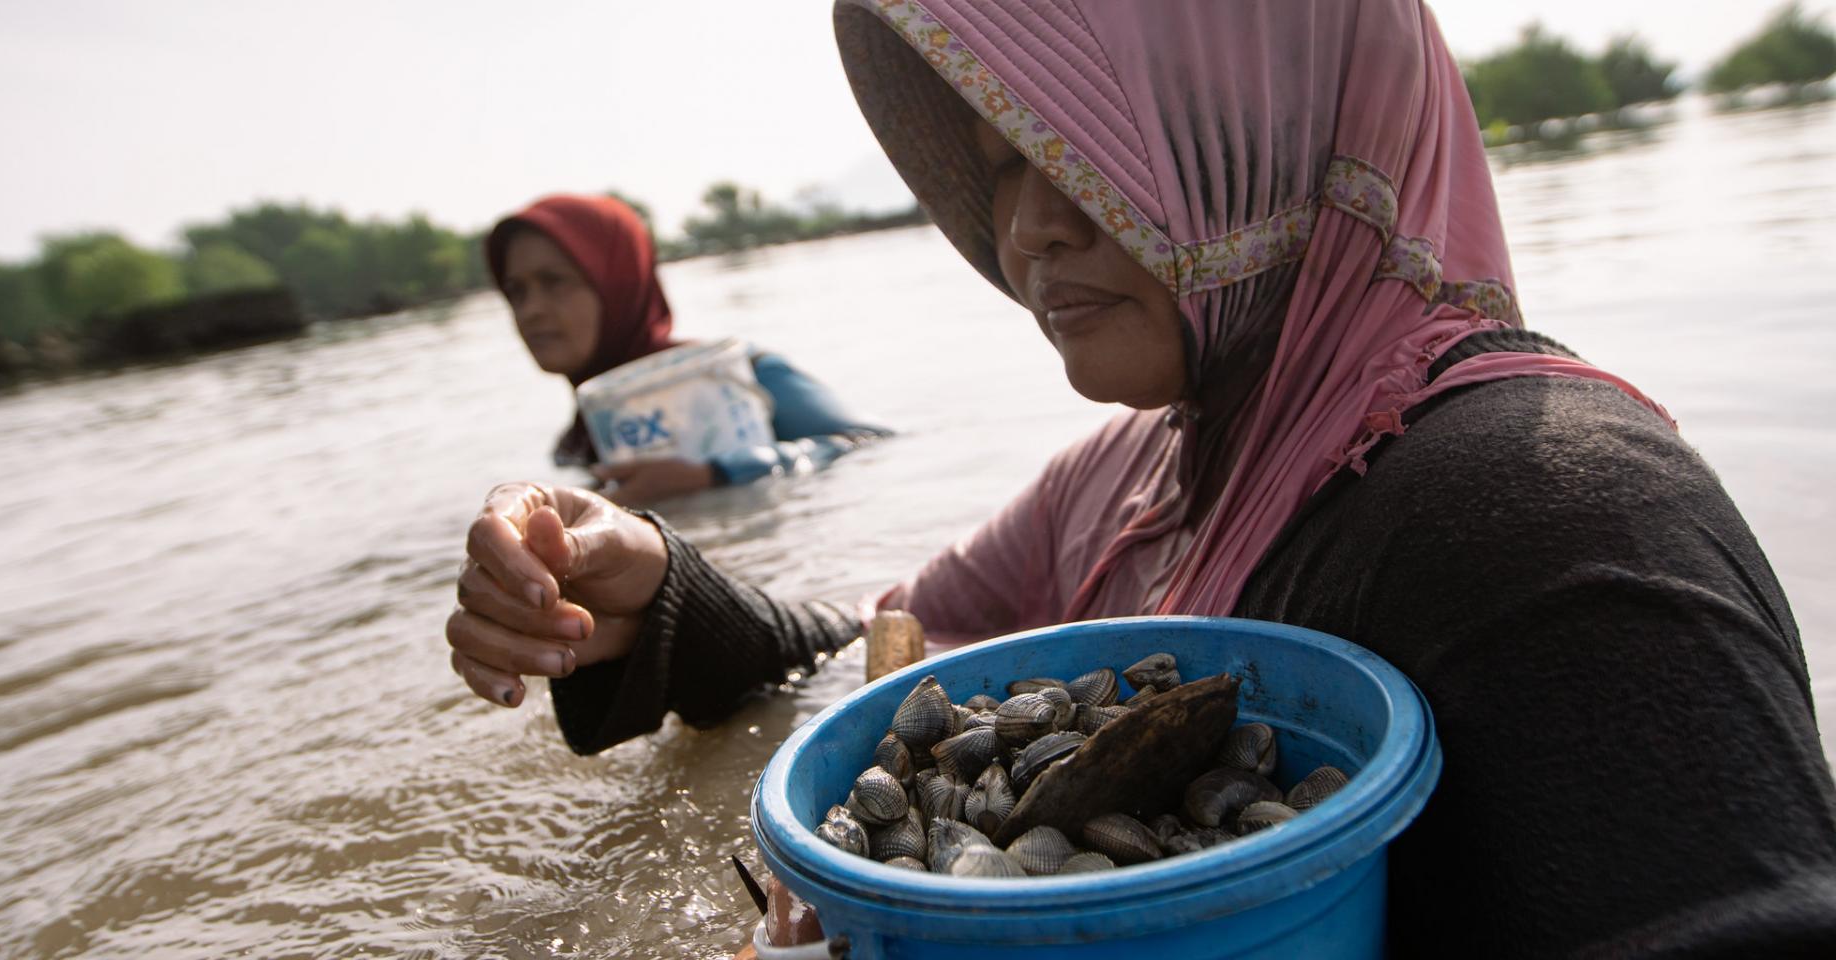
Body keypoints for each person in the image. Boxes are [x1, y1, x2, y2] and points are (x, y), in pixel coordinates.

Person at [446, 2, 1836, 956]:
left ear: (1268, 111)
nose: (1027, 232)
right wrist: (661, 593)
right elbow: (890, 674)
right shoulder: (1125, 479)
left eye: (1078, 147)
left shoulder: (1546, 520)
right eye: (999, 161)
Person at [486, 194, 888, 505]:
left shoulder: (734, 373)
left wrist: (712, 475)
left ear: (619, 285)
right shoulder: (578, 444)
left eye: (554, 281)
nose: (531, 310)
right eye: (516, 291)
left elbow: (871, 441)